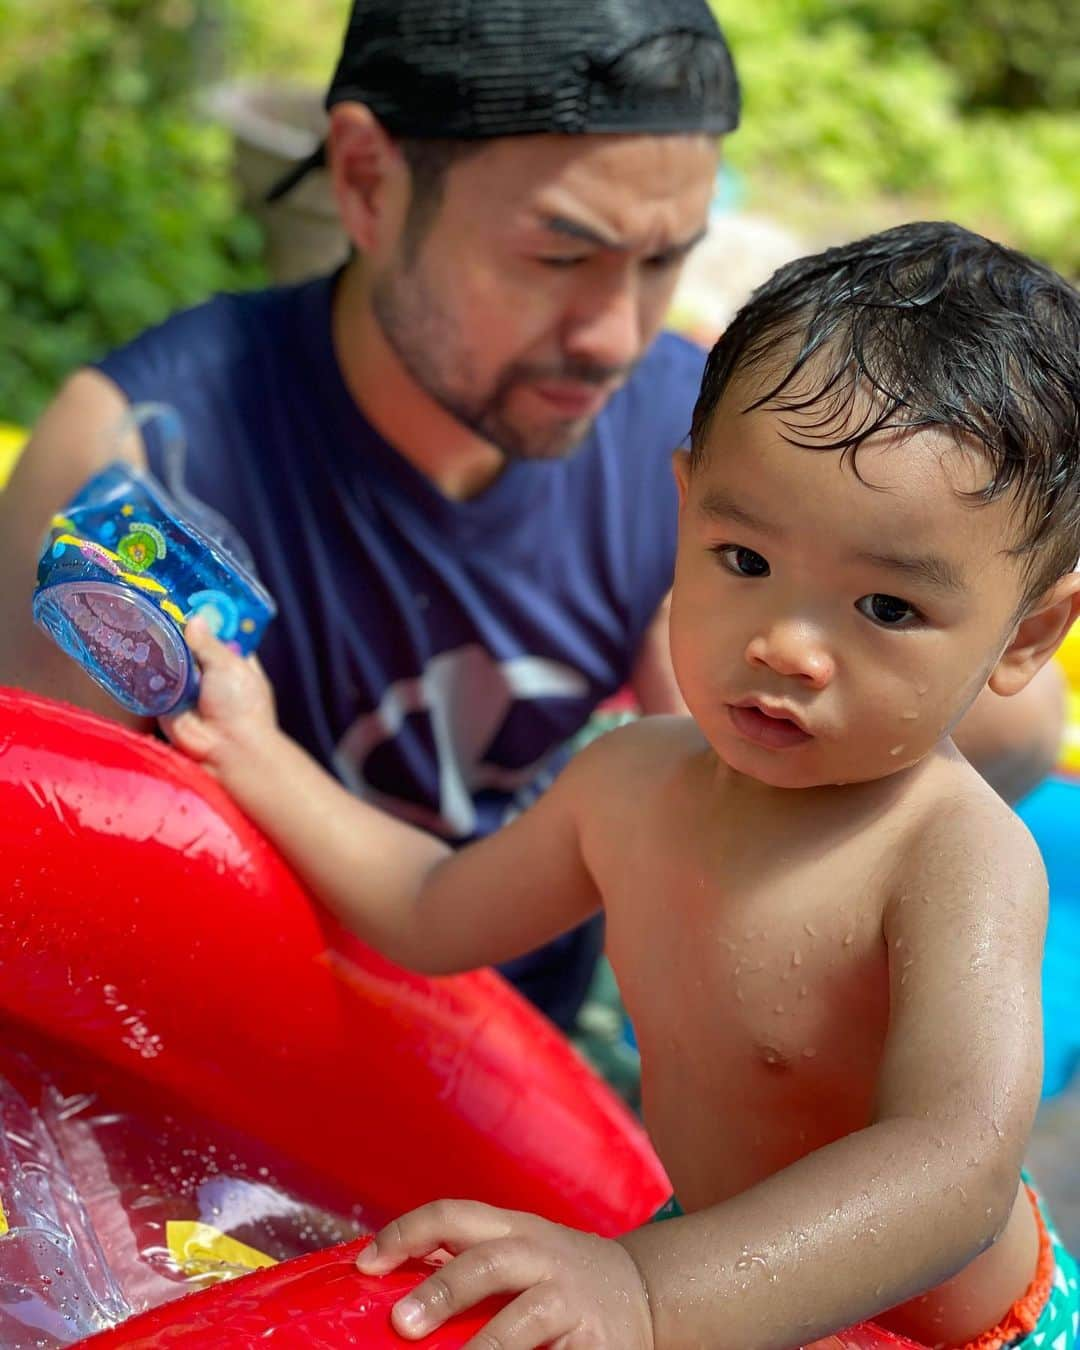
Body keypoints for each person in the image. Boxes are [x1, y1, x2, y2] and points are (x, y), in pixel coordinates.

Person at [0, 1, 1064, 1032]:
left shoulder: (693, 437)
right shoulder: (139, 479)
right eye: (560, 256)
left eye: (664, 261)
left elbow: (1010, 730)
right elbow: (61, 907)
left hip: (542, 1038)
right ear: (368, 180)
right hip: (243, 1032)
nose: (617, 335)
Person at [165, 222, 1079, 1349]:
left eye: (886, 609)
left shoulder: (952, 856)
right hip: (716, 1261)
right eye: (744, 562)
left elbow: (954, 1171)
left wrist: (648, 1289)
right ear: (686, 509)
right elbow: (432, 909)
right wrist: (253, 752)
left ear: (1027, 633)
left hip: (938, 1327)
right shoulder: (627, 786)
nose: (788, 645)